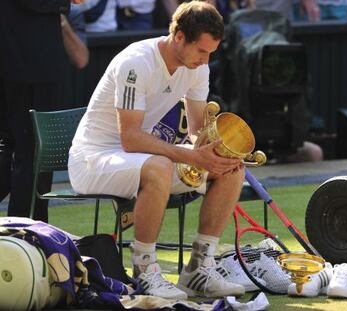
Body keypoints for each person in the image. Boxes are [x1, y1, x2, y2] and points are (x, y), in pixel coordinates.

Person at [68, 0, 246, 300]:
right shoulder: (135, 62)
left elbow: (196, 133)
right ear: (178, 37)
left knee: (231, 169)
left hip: (138, 159)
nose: (205, 60)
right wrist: (190, 155)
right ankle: (145, 272)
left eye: (210, 53)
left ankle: (199, 269)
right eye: (201, 51)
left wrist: (215, 151)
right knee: (159, 166)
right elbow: (131, 138)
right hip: (92, 160)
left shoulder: (197, 69)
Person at [0, 0, 82, 222]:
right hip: (28, 65)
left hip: (26, 63)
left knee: (21, 152)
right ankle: (26, 233)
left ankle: (29, 232)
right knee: (31, 154)